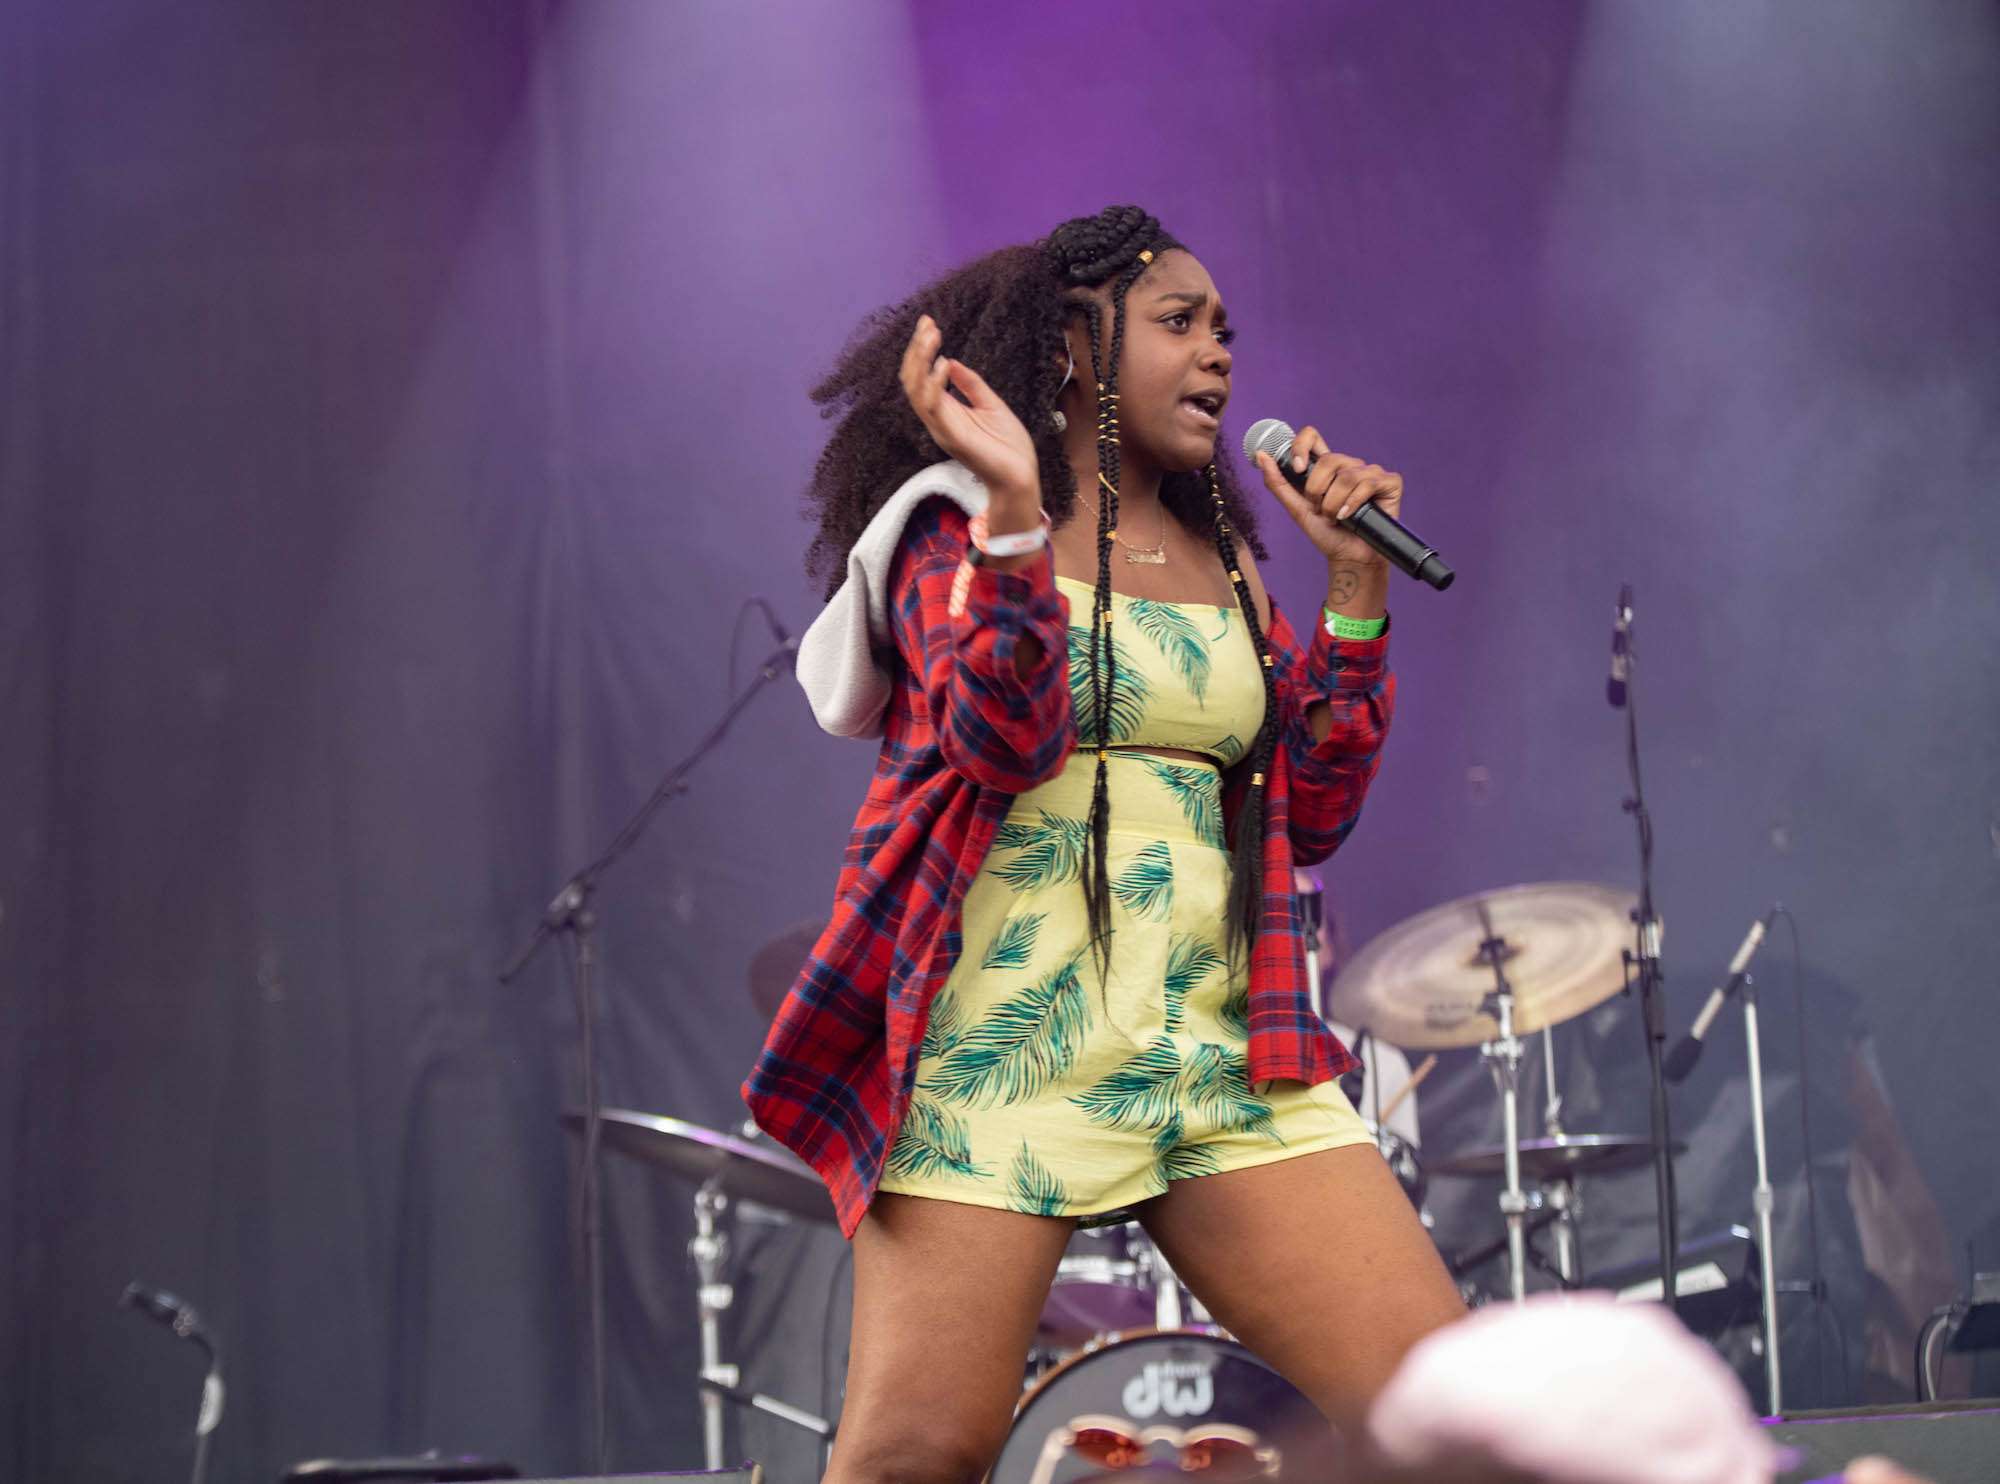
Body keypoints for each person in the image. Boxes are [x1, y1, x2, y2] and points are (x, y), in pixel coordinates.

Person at [744, 205, 1464, 1483]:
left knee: (1448, 1410)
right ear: (1073, 348)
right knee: (913, 1453)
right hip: (1003, 1042)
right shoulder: (951, 525)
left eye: (1225, 329)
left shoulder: (1225, 555)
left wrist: (1354, 587)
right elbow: (1000, 739)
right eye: (1179, 322)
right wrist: (1017, 518)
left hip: (1217, 1049)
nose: (1219, 352)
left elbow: (1311, 808)